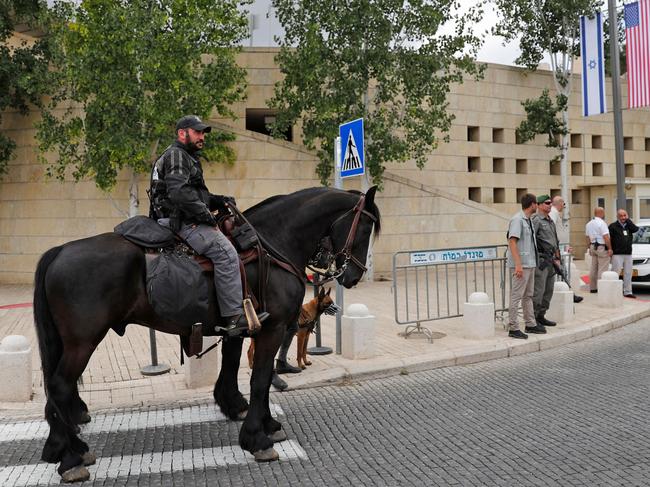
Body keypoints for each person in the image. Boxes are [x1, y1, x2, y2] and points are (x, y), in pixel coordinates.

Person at [149, 115, 268, 335]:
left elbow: (193, 193)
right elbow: (179, 193)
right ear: (182, 133)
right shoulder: (176, 155)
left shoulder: (183, 156)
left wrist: (218, 200)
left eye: (203, 133)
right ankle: (234, 316)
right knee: (226, 253)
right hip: (180, 222)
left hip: (180, 217)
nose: (202, 137)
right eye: (197, 132)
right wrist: (206, 215)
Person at [506, 193, 539, 339]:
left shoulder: (528, 220)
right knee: (516, 296)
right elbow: (512, 242)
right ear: (532, 204)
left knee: (528, 296)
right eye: (536, 203)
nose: (537, 206)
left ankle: (530, 324)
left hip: (530, 263)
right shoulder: (517, 220)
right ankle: (513, 327)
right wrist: (518, 265)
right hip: (521, 265)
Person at [531, 195, 558, 332]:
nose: (550, 205)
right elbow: (532, 241)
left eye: (551, 203)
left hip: (550, 260)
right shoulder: (536, 220)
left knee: (548, 290)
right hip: (541, 260)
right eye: (547, 203)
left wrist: (557, 258)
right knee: (539, 291)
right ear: (539, 205)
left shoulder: (550, 221)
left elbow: (555, 241)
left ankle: (541, 315)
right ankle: (533, 319)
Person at [549, 196, 583, 303]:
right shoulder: (553, 213)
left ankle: (568, 293)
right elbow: (552, 230)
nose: (564, 207)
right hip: (557, 249)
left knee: (564, 272)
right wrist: (556, 250)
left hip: (560, 248)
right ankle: (566, 294)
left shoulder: (554, 213)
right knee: (562, 272)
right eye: (563, 204)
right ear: (559, 203)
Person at [608, 209, 639, 298]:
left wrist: (628, 220)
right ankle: (613, 292)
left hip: (628, 253)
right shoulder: (612, 226)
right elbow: (609, 239)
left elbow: (636, 229)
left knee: (628, 273)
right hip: (617, 254)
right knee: (615, 273)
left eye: (624, 215)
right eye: (621, 216)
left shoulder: (629, 225)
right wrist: (609, 249)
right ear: (617, 216)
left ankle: (628, 292)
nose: (623, 217)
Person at [585, 207, 612, 293]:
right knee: (603, 268)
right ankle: (601, 288)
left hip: (593, 246)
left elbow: (587, 237)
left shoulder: (589, 224)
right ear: (601, 213)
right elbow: (606, 237)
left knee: (593, 268)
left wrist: (589, 247)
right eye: (603, 212)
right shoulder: (602, 223)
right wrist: (610, 248)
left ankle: (593, 288)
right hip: (601, 246)